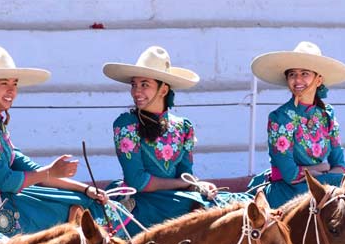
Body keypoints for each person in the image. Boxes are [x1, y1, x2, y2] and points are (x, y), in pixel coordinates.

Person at [0, 45, 113, 237]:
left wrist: (86, 189)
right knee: (67, 213)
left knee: (83, 200)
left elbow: (32, 169)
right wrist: (50, 171)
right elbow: (6, 180)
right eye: (4, 83)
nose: (11, 90)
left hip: (1, 199)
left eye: (14, 84)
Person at [247, 42, 345, 242]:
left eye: (305, 73)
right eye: (292, 74)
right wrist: (322, 167)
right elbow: (290, 174)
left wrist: (326, 171)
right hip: (290, 190)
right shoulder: (280, 117)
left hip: (325, 186)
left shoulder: (327, 114)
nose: (298, 79)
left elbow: (339, 165)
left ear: (319, 79)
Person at [103, 46, 249, 233]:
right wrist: (184, 184)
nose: (136, 91)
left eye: (144, 85)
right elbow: (137, 181)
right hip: (142, 202)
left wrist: (197, 185)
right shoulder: (126, 125)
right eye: (134, 84)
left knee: (234, 209)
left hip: (175, 199)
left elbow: (185, 172)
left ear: (163, 90)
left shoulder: (183, 126)